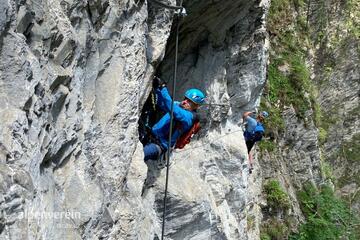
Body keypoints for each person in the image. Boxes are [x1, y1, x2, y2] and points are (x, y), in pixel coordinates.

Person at [143, 77, 206, 162]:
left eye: (189, 101)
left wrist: (163, 88)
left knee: (141, 155)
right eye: (185, 99)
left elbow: (174, 111)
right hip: (149, 136)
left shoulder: (189, 118)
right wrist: (157, 89)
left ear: (196, 106)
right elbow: (162, 103)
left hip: (158, 146)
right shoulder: (178, 105)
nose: (185, 102)